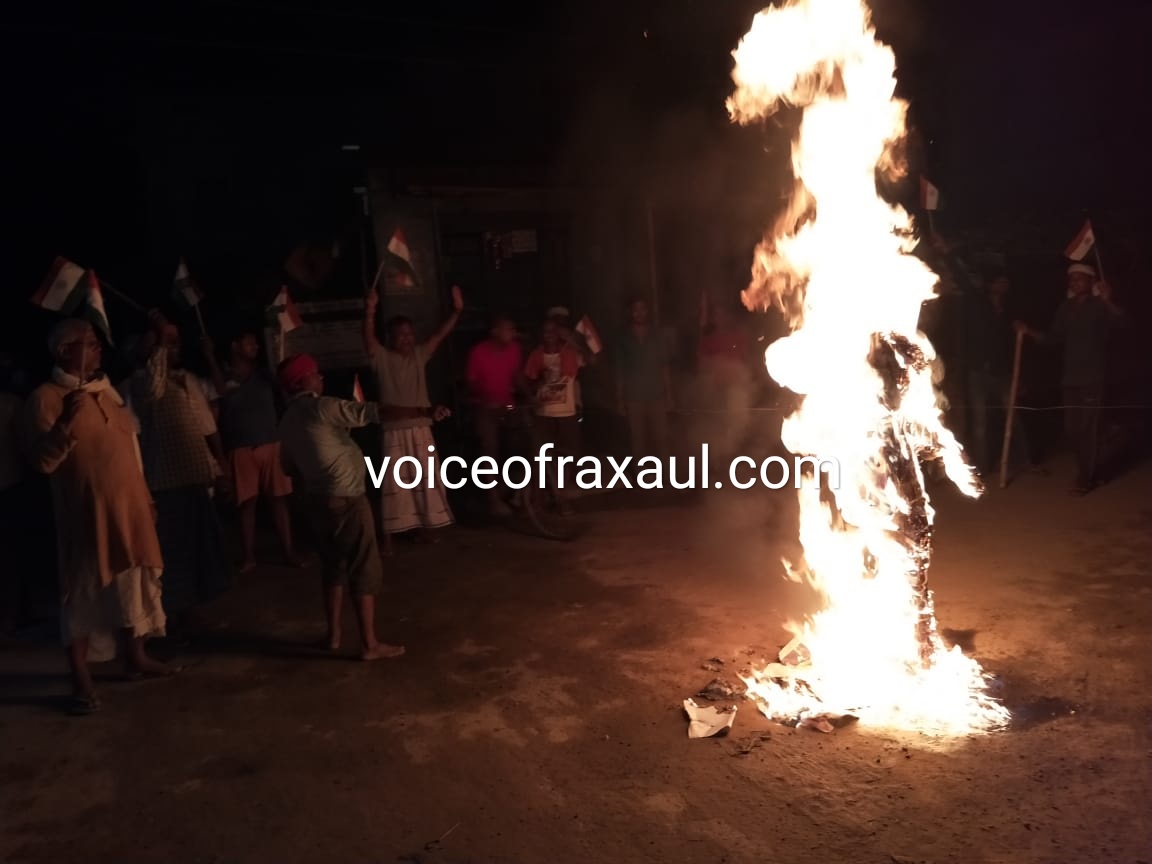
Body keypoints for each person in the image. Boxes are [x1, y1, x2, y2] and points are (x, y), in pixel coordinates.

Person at [24, 319, 172, 715]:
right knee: (83, 595)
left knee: (131, 583)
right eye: (86, 344)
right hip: (86, 516)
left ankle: (134, 657)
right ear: (62, 352)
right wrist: (65, 425)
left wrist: (145, 496)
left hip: (130, 506)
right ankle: (81, 679)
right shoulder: (47, 397)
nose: (96, 349)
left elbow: (129, 448)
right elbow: (42, 462)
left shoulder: (105, 390)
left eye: (95, 342)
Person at [276, 353, 405, 661]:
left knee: (333, 568)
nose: (320, 378)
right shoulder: (323, 407)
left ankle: (333, 636)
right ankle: (369, 644)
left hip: (318, 501)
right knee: (363, 566)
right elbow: (374, 412)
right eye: (315, 374)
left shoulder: (288, 419)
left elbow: (288, 467)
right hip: (346, 498)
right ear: (303, 381)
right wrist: (423, 410)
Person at [131, 311, 231, 622]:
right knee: (175, 554)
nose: (171, 348)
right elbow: (153, 387)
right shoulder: (140, 383)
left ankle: (195, 611)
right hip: (166, 483)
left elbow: (205, 426)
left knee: (202, 550)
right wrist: (160, 340)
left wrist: (219, 467)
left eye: (174, 343)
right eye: (163, 343)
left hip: (196, 478)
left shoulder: (186, 380)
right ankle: (174, 617)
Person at [1016, 263, 1126, 495]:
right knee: (1072, 429)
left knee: (1088, 428)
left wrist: (1107, 299)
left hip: (1093, 375)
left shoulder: (1099, 305)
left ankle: (1085, 478)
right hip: (1071, 378)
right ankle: (1091, 469)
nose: (1075, 282)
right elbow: (1053, 337)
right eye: (1072, 279)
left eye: (1080, 279)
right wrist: (1028, 331)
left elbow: (1122, 323)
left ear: (1091, 281)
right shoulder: (1066, 308)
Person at [363, 286, 459, 544]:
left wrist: (457, 311)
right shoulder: (381, 358)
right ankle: (389, 537)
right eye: (400, 335)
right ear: (390, 338)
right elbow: (369, 340)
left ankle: (429, 526)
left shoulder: (418, 355)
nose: (406, 338)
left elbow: (440, 334)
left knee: (426, 481)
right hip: (394, 430)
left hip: (420, 428)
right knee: (395, 486)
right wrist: (370, 310)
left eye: (409, 334)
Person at [206, 329, 301, 572]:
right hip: (240, 448)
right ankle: (249, 557)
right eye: (250, 343)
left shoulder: (265, 375)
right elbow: (218, 395)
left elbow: (284, 394)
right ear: (235, 346)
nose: (255, 347)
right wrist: (209, 357)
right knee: (246, 504)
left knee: (279, 501)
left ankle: (289, 552)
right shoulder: (223, 377)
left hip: (270, 444)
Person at [523, 312, 592, 513]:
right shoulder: (536, 355)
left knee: (568, 456)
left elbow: (591, 359)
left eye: (553, 331)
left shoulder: (569, 353)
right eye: (546, 332)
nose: (550, 335)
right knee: (543, 457)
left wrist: (576, 341)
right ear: (541, 335)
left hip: (567, 414)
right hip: (544, 415)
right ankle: (541, 499)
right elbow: (527, 381)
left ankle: (561, 497)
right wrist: (536, 386)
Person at [964, 274, 1032, 476]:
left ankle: (1028, 460)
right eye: (999, 280)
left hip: (1001, 372)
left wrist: (1017, 376)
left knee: (1014, 417)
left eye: (1006, 281)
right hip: (978, 372)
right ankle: (982, 469)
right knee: (980, 424)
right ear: (990, 283)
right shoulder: (978, 308)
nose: (1003, 284)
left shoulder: (1010, 312)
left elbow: (1011, 346)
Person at [466, 314, 523, 516]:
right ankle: (493, 500)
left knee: (521, 445)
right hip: (485, 407)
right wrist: (486, 397)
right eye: (508, 329)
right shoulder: (479, 352)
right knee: (489, 450)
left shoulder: (514, 349)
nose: (512, 333)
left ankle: (518, 492)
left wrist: (530, 394)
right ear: (495, 331)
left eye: (513, 329)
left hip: (507, 406)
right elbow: (471, 383)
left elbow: (516, 377)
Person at [616, 297, 672, 464]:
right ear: (630, 313)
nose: (639, 313)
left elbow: (664, 366)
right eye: (635, 310)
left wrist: (669, 395)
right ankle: (641, 475)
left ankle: (666, 475)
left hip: (656, 394)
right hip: (634, 397)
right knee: (638, 439)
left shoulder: (657, 335)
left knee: (661, 438)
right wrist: (619, 399)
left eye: (642, 309)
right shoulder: (624, 338)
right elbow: (620, 371)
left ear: (647, 311)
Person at [698, 296, 752, 460]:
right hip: (716, 389)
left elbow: (745, 360)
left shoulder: (738, 335)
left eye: (723, 314)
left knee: (734, 425)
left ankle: (734, 459)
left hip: (734, 388)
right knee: (715, 425)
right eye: (716, 315)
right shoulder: (708, 338)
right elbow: (702, 362)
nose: (719, 318)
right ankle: (716, 461)